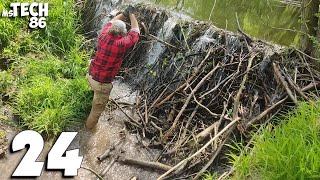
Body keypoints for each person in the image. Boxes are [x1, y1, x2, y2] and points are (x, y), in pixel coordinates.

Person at [86, 6, 140, 129]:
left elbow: (111, 21)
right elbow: (135, 32)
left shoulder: (103, 36)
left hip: (90, 76)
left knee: (93, 92)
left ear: (110, 29)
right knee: (95, 113)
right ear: (122, 33)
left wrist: (124, 13)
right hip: (102, 85)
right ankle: (87, 133)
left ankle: (89, 98)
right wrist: (132, 14)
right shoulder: (121, 44)